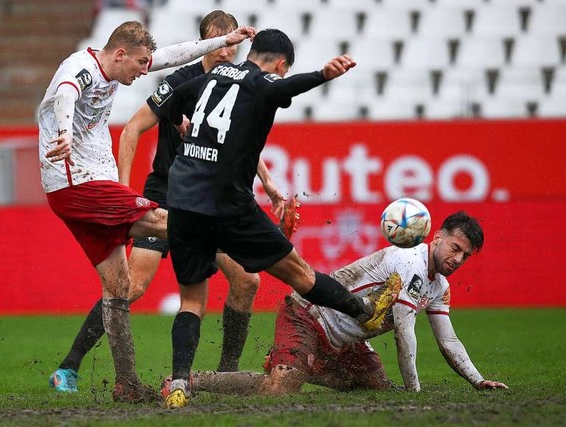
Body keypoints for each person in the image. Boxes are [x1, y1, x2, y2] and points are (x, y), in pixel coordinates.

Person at [48, 11, 297, 395]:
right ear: (206, 44)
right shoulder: (179, 82)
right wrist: (124, 194)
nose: (226, 53)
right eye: (219, 44)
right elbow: (132, 128)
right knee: (131, 286)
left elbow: (239, 141)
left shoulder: (236, 85)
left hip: (208, 202)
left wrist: (269, 183)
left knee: (246, 280)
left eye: (232, 45)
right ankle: (70, 365)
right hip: (166, 195)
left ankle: (225, 371)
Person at [160, 29, 400, 408]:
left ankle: (178, 383)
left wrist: (179, 123)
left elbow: (173, 99)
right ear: (281, 64)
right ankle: (366, 312)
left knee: (191, 300)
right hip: (227, 205)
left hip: (183, 202)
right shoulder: (263, 83)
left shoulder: (209, 78)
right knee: (300, 274)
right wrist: (324, 75)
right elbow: (285, 89)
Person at [189, 211, 509, 395]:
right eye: (455, 247)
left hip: (348, 341)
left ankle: (296, 360)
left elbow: (448, 340)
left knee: (379, 388)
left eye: (465, 256)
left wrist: (478, 380)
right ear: (437, 236)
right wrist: (415, 391)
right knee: (280, 387)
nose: (457, 258)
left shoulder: (439, 286)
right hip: (307, 314)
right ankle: (194, 380)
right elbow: (404, 333)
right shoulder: (410, 262)